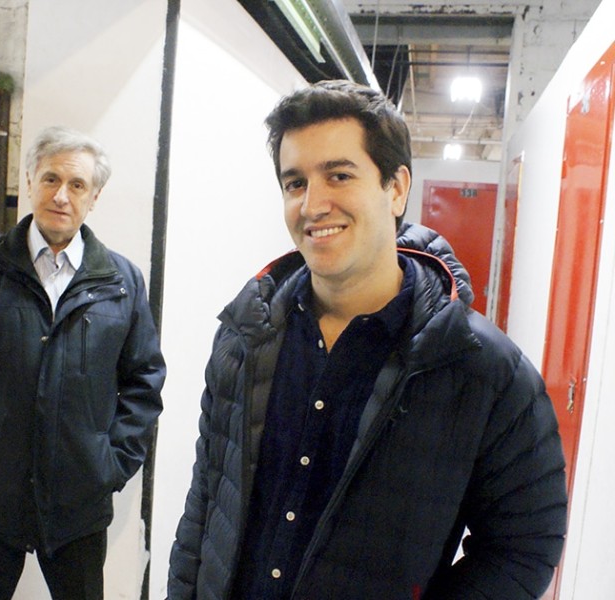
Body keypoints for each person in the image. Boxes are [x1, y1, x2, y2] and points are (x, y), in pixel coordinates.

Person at [167, 81, 567, 599]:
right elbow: (206, 502)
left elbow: (524, 545)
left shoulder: (482, 368)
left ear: (396, 187)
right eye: (295, 183)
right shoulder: (244, 335)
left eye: (339, 175)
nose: (313, 205)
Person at [0, 125, 165, 600]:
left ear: (95, 197)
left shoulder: (122, 281)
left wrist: (110, 465)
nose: (61, 196)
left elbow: (143, 381)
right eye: (51, 179)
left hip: (78, 506)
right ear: (29, 180)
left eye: (77, 185)